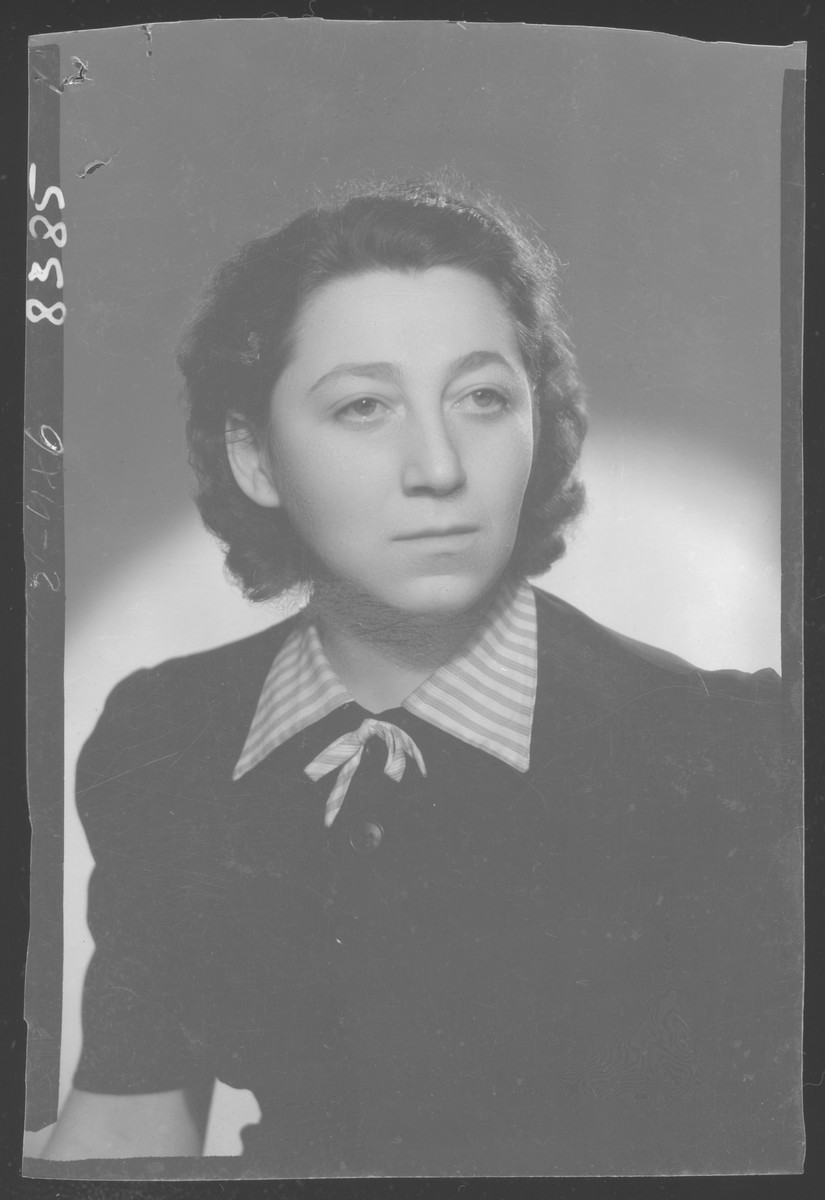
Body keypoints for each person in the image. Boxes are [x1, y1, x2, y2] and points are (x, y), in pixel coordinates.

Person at [42, 180, 800, 1176]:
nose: (439, 466)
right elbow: (125, 1134)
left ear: (539, 421)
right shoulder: (168, 734)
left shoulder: (730, 751)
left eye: (483, 397)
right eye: (364, 407)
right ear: (256, 459)